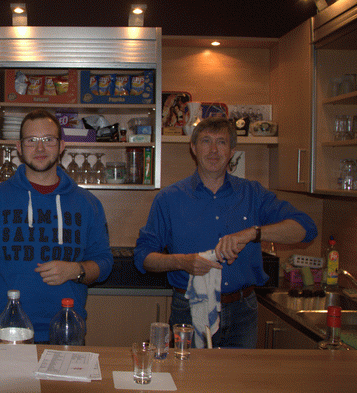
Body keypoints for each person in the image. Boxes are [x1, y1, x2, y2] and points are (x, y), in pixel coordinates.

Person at [134, 116, 317, 349]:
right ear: (193, 148)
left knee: (238, 374)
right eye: (206, 141)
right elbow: (143, 257)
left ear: (231, 151)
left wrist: (252, 233)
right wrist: (182, 262)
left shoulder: (253, 194)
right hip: (188, 309)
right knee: (191, 373)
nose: (213, 150)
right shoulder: (169, 198)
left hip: (243, 311)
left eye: (221, 142)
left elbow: (306, 228)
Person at [0, 109, 113, 343]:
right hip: (5, 334)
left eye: (48, 140)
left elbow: (104, 263)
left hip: (66, 334)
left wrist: (75, 270)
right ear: (19, 147)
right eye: (31, 140)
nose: (40, 148)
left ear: (62, 145)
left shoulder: (88, 204)